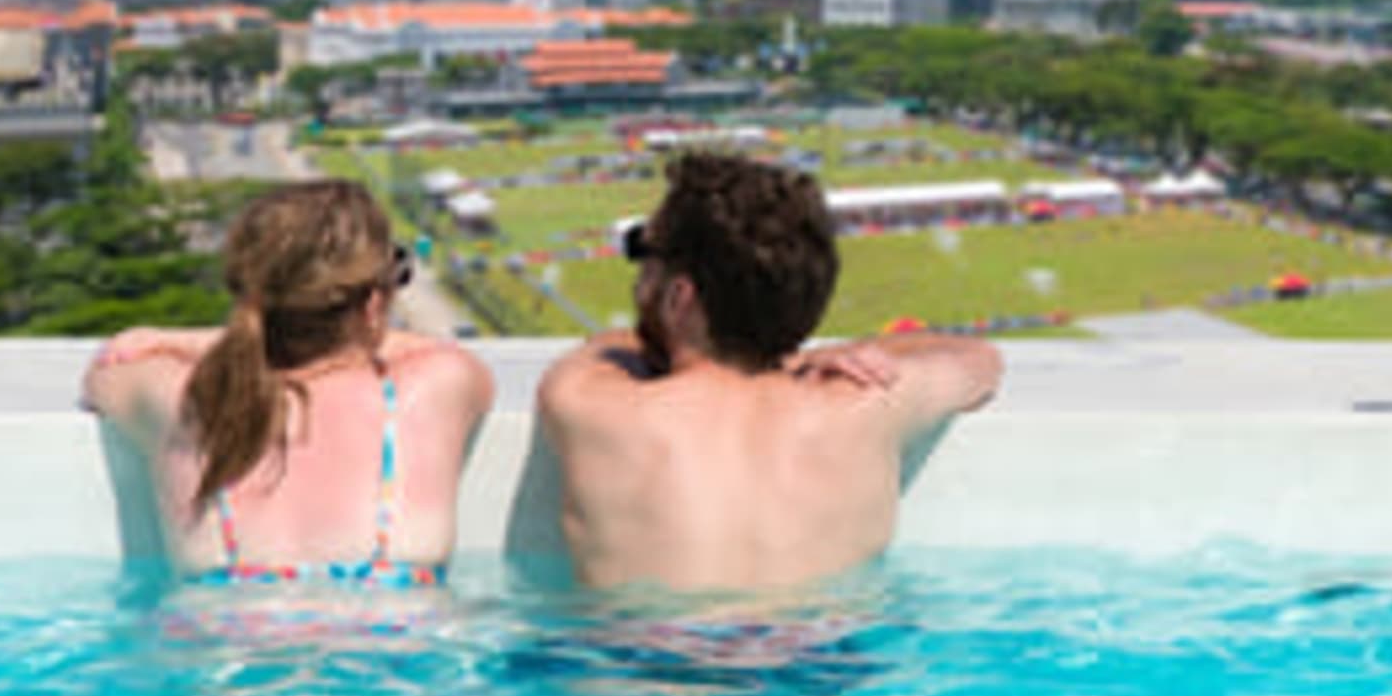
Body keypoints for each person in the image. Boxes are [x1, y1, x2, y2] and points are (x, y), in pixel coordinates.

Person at [535, 153, 1001, 594]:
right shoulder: (871, 401)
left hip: (657, 666)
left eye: (645, 256)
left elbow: (608, 343)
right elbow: (979, 359)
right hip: (823, 663)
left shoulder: (590, 402)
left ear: (679, 297)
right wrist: (817, 355)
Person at [82, 179, 494, 587]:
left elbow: (107, 369)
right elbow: (419, 348)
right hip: (393, 644)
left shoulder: (171, 397)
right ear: (373, 302)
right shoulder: (438, 385)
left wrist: (188, 340)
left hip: (219, 642)